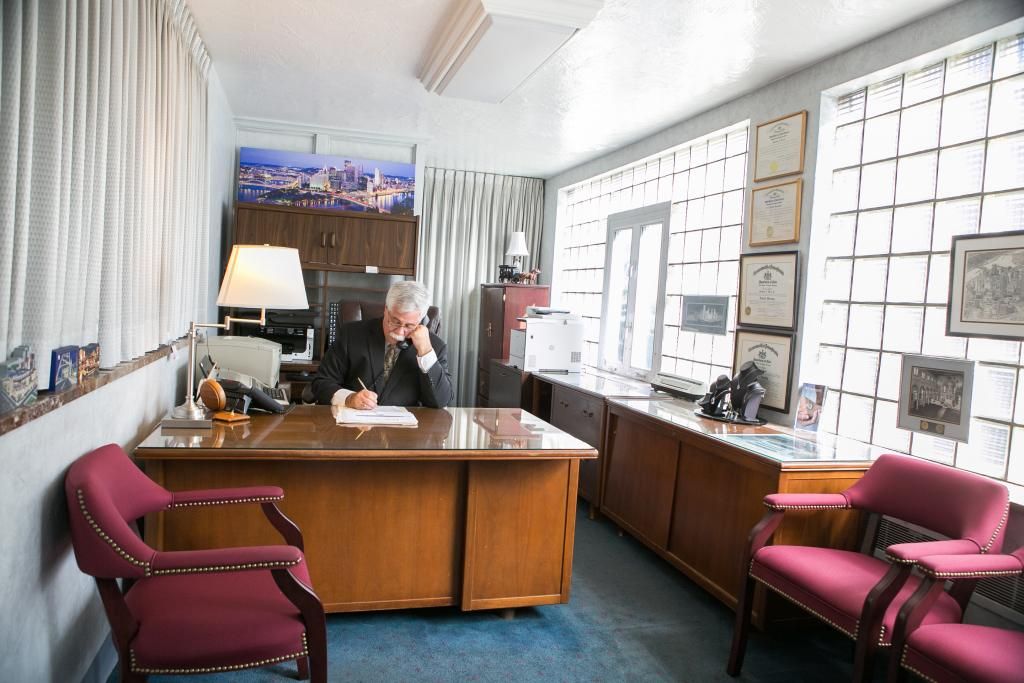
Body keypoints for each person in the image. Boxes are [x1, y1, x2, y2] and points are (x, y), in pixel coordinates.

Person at [311, 281, 454, 409]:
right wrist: (349, 399)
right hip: (355, 428)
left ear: (421, 319)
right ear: (386, 309)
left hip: (406, 433)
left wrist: (425, 352)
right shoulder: (352, 334)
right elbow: (321, 383)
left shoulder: (434, 346)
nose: (399, 331)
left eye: (409, 325)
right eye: (395, 321)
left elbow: (441, 401)